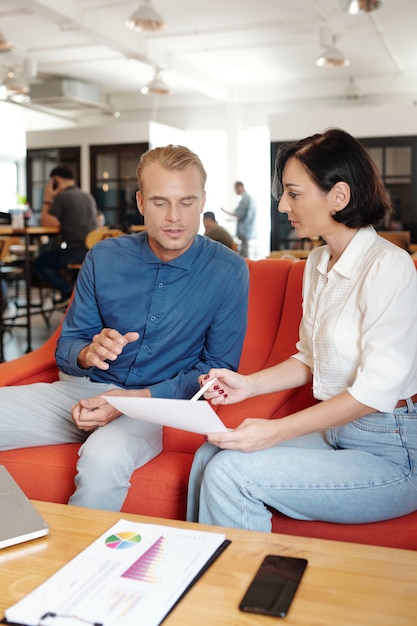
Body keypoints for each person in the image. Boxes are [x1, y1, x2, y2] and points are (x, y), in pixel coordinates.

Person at [186, 128, 417, 532]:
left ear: (339, 197)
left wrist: (274, 431)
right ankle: (197, 569)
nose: (281, 205)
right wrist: (247, 385)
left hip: (392, 450)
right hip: (335, 432)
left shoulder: (388, 266)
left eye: (293, 193)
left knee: (230, 473)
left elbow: (375, 391)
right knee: (209, 456)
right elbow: (312, 356)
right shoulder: (317, 262)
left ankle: (232, 589)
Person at [0, 145, 249, 512]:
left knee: (103, 457)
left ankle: (78, 566)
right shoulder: (104, 256)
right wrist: (87, 353)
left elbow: (216, 372)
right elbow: (68, 347)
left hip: (153, 406)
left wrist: (128, 403)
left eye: (187, 202)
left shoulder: (228, 270)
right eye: (160, 202)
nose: (175, 217)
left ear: (203, 202)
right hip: (82, 392)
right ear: (141, 203)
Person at [33, 166, 98, 305]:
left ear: (56, 180)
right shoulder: (87, 196)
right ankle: (73, 294)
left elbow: (46, 223)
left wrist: (47, 198)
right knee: (54, 256)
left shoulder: (62, 197)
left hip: (76, 251)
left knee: (40, 262)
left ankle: (67, 291)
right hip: (92, 251)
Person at [221, 181, 256, 257]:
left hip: (245, 229)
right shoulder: (249, 197)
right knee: (244, 250)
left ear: (239, 187)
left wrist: (225, 211)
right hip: (247, 228)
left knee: (244, 253)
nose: (235, 191)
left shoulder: (245, 198)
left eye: (235, 189)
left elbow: (238, 214)